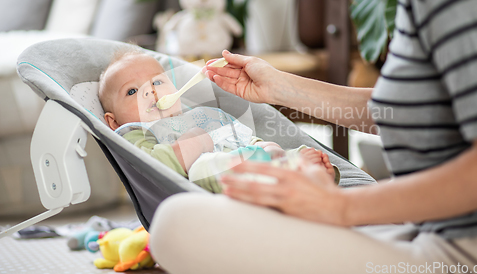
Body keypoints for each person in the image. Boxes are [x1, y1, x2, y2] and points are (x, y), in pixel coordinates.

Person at [148, 0, 477, 274]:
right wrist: (280, 88)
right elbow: (423, 114)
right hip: (435, 224)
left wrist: (339, 208)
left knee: (175, 225)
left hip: (471, 248)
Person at [98, 49, 339, 193]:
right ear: (114, 121)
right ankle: (284, 172)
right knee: (200, 169)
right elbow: (148, 166)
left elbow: (239, 138)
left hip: (248, 159)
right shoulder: (135, 132)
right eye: (132, 92)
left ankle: (297, 170)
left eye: (158, 82)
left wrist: (266, 148)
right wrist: (192, 145)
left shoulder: (200, 116)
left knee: (272, 147)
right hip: (207, 183)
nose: (149, 92)